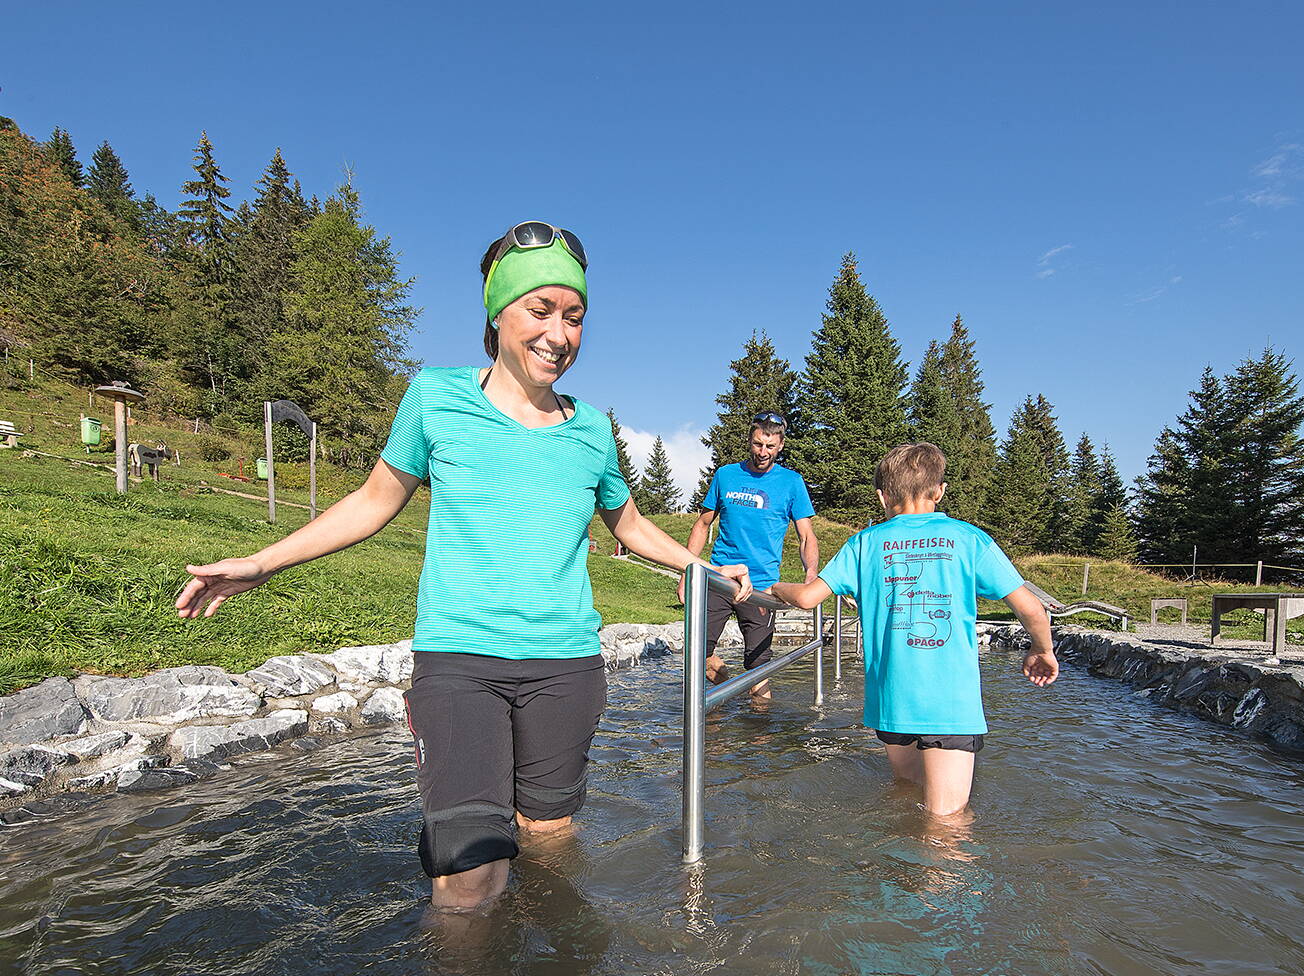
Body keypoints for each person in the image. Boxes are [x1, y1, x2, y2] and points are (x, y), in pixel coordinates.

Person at [174, 220, 753, 911]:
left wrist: (704, 567)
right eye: (541, 310)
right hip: (459, 661)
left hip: (565, 666)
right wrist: (266, 562)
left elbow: (625, 522)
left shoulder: (593, 429)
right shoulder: (436, 397)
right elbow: (372, 501)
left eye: (574, 317)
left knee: (549, 837)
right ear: (497, 310)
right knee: (469, 871)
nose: (559, 334)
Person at [769, 443, 1057, 816]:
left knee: (905, 796)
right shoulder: (969, 539)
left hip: (891, 700)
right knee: (945, 823)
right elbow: (1032, 608)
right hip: (949, 703)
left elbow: (808, 598)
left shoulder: (864, 543)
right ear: (939, 491)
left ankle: (895, 871)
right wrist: (1042, 649)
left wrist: (774, 587)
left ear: (882, 495)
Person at [678, 412, 818, 701]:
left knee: (758, 670)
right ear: (750, 441)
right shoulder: (726, 475)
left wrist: (811, 575)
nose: (762, 452)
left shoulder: (791, 482)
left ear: (780, 446)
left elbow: (806, 536)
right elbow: (703, 524)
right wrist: (686, 573)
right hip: (719, 578)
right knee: (697, 655)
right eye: (757, 444)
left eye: (769, 446)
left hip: (761, 587)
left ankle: (760, 739)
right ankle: (723, 697)